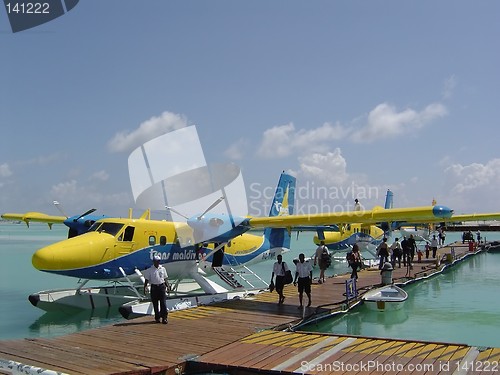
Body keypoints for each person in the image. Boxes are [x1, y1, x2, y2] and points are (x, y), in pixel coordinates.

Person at [143, 254, 170, 324]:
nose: (157, 262)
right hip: (154, 288)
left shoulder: (163, 269)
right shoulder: (150, 270)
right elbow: (146, 280)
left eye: (158, 261)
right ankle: (157, 318)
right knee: (155, 304)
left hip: (161, 287)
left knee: (163, 303)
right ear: (153, 261)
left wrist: (168, 286)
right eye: (156, 261)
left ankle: (164, 318)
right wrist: (145, 287)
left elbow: (165, 278)